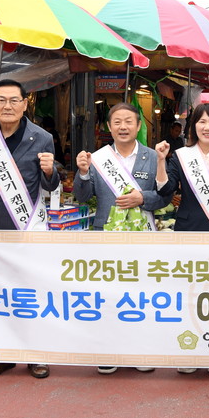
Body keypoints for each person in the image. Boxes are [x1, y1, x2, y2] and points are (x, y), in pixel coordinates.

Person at [74, 103, 171, 375]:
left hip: (143, 238)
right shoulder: (97, 158)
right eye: (117, 122)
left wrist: (142, 198)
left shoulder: (153, 156)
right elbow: (82, 197)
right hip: (107, 238)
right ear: (109, 126)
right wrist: (83, 173)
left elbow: (164, 197)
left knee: (142, 295)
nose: (123, 127)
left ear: (139, 126)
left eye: (129, 121)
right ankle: (109, 350)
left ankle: (142, 349)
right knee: (108, 295)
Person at [0, 79, 59, 380]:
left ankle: (36, 354)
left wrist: (50, 170)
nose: (7, 106)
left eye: (14, 100)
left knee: (30, 292)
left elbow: (51, 184)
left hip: (25, 226)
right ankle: (1, 354)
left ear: (25, 104)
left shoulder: (42, 137)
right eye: (1, 100)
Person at [155, 103, 209, 375]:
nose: (208, 127)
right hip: (189, 232)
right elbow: (166, 190)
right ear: (193, 126)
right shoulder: (181, 156)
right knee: (190, 294)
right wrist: (161, 160)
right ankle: (189, 350)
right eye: (202, 122)